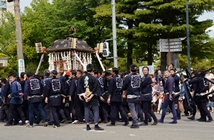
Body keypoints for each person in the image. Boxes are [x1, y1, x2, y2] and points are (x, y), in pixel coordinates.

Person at [78, 64, 104, 131]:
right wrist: (91, 96)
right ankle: (96, 124)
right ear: (92, 69)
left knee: (86, 110)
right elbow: (96, 89)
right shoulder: (94, 79)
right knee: (95, 110)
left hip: (85, 96)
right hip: (92, 96)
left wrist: (83, 96)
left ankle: (87, 124)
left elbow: (79, 88)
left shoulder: (82, 78)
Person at [122, 64, 141, 128]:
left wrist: (123, 91)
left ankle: (135, 122)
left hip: (131, 94)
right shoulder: (139, 76)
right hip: (137, 94)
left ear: (130, 69)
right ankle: (134, 121)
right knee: (136, 109)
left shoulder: (128, 77)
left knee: (132, 109)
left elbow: (124, 86)